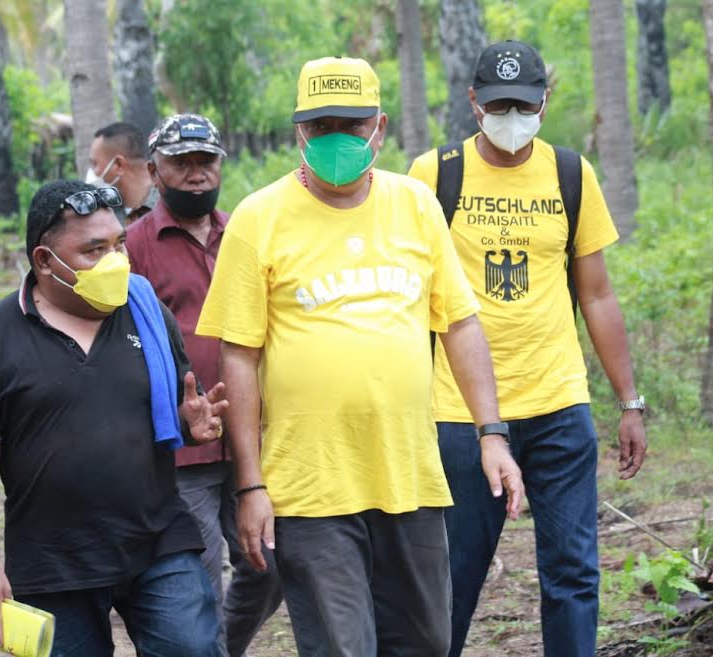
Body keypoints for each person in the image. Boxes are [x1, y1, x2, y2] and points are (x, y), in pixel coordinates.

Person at [196, 56, 525, 657]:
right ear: (299, 131)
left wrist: (492, 434)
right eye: (320, 126)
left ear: (380, 125)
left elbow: (459, 324)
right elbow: (238, 356)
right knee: (342, 647)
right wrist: (250, 485)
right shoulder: (258, 218)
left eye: (351, 125)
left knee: (427, 642)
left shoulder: (416, 205)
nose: (336, 139)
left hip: (409, 474)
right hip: (309, 485)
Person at [407, 40, 648, 657]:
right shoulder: (434, 175)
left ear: (545, 101)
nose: (510, 117)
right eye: (498, 105)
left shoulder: (570, 173)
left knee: (573, 573)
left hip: (558, 405)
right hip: (460, 413)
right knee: (451, 577)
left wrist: (629, 401)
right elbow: (406, 297)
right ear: (473, 102)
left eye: (522, 104)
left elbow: (596, 294)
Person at [0, 179, 228, 656]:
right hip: (52, 558)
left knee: (193, 647)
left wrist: (191, 423)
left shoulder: (146, 313)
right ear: (44, 261)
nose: (115, 261)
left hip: (156, 538)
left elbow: (178, 406)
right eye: (94, 250)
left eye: (119, 244)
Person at [126, 113, 282, 657]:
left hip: (250, 437)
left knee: (270, 566)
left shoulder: (245, 231)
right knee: (199, 586)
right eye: (181, 163)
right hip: (180, 447)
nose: (196, 173)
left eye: (205, 161)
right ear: (154, 171)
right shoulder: (133, 246)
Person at [87, 121, 158, 224]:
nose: (91, 172)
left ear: (119, 165)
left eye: (95, 164)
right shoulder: (105, 215)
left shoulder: (171, 204)